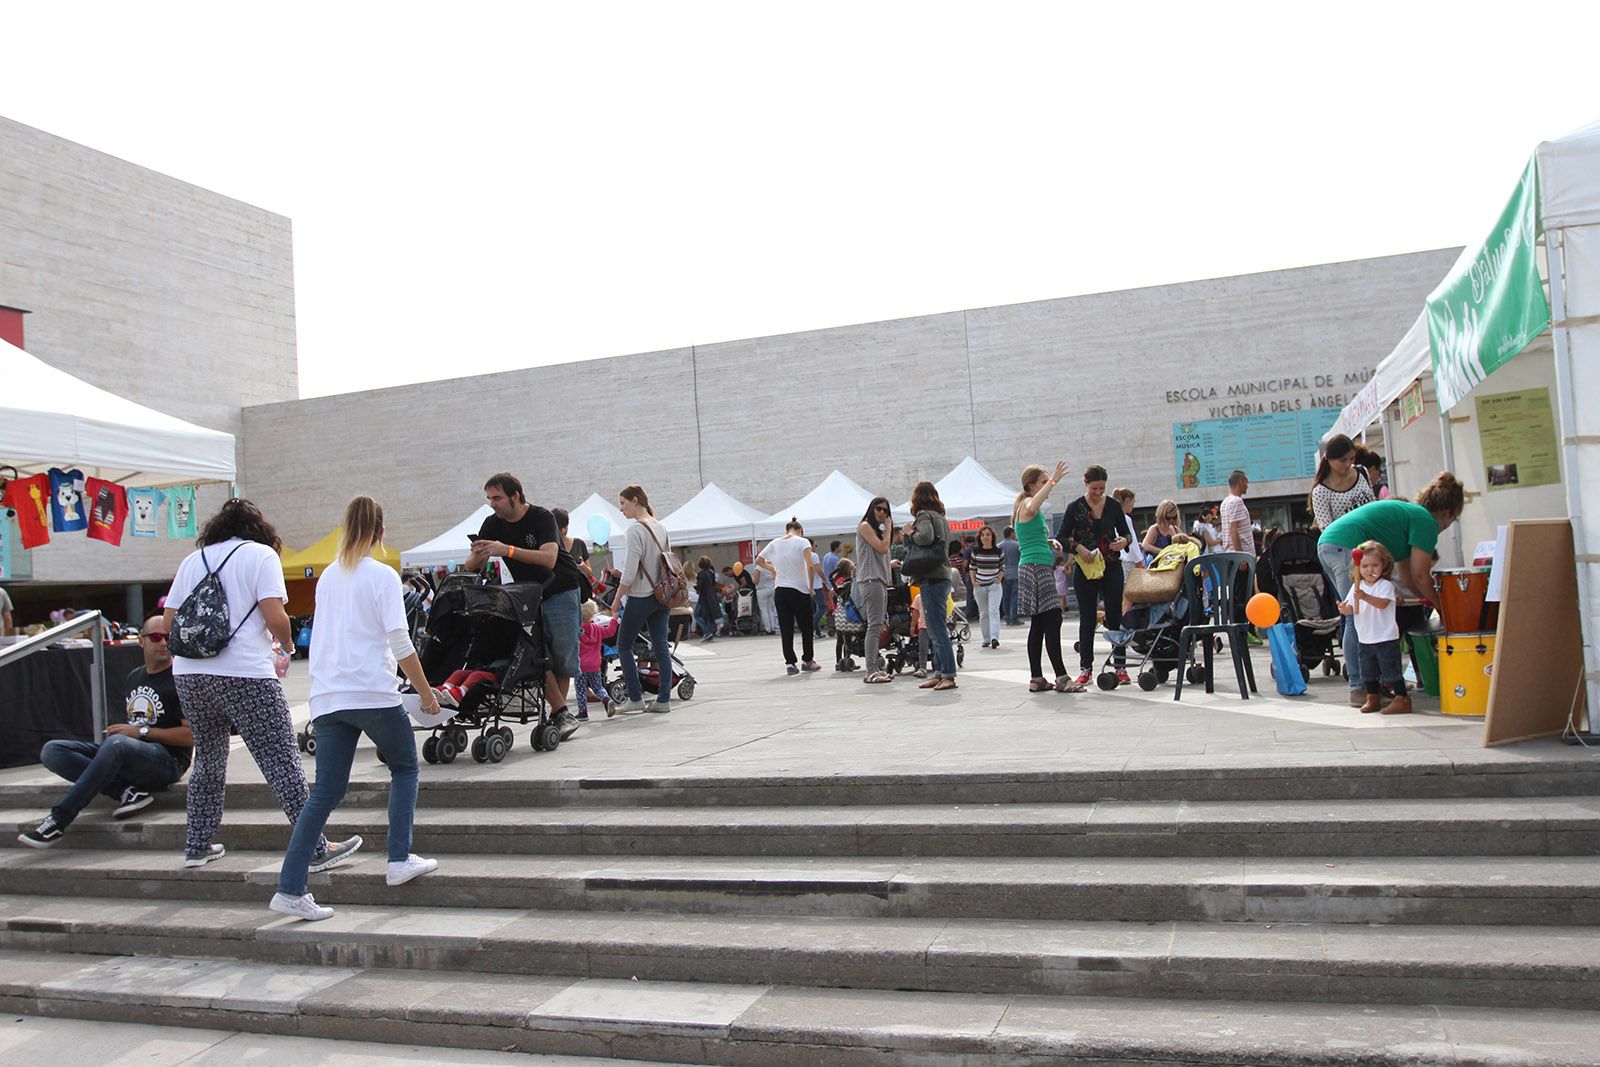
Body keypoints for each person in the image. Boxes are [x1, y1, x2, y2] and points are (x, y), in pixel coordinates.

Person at [164, 498, 361, 871]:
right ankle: (315, 849)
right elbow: (276, 617)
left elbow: (168, 620)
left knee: (208, 758)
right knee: (281, 759)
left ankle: (198, 844)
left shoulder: (193, 560)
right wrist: (286, 645)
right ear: (260, 529)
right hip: (244, 672)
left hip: (189, 673)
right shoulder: (260, 556)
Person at [271, 496, 437, 922]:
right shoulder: (383, 576)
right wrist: (425, 692)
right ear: (381, 532)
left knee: (325, 792)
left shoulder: (328, 577)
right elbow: (400, 644)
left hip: (328, 697)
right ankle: (399, 859)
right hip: (371, 692)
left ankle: (290, 887)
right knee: (404, 768)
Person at [19, 615, 193, 847]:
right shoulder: (135, 677)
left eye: (168, 637)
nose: (163, 643)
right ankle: (126, 792)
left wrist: (140, 733)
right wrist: (130, 735)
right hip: (133, 754)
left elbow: (191, 736)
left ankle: (59, 820)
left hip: (168, 762)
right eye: (155, 637)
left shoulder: (180, 679)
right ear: (141, 641)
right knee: (53, 750)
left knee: (117, 744)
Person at [1318, 471, 1465, 705]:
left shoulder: (1411, 517)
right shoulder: (1425, 521)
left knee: (1353, 614)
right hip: (1346, 545)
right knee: (1357, 614)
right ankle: (1360, 688)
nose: (1448, 526)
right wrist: (1443, 607)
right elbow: (1421, 575)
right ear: (1448, 513)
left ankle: (1368, 687)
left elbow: (1408, 578)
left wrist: (1425, 599)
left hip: (1330, 543)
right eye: (1453, 520)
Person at [466, 473, 586, 740]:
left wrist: (506, 550)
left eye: (497, 498)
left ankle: (559, 714)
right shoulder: (491, 524)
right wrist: (479, 552)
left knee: (561, 657)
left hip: (561, 588)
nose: (492, 504)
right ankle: (561, 713)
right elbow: (470, 566)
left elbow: (549, 558)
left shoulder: (542, 518)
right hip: (528, 596)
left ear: (515, 496)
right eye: (489, 499)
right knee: (536, 654)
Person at [1059, 465, 1133, 688]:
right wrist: (1078, 548)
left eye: (1102, 488)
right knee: (1088, 617)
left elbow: (1127, 532)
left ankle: (1119, 666)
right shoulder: (1075, 508)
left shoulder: (1113, 506)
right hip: (1087, 567)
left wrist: (1124, 542)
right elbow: (1061, 537)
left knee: (1114, 615)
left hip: (1111, 565)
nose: (1099, 493)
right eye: (1094, 488)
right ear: (1086, 484)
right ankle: (1086, 668)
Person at [1014, 462, 1080, 693]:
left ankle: (1037, 678)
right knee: (1051, 619)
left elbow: (1029, 533)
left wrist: (1048, 542)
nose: (1047, 486)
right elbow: (1032, 507)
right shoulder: (1027, 503)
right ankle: (1061, 677)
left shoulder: (1029, 507)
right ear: (1031, 486)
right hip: (1035, 568)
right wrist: (1053, 481)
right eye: (1042, 482)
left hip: (1036, 565)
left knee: (1041, 623)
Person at [611, 485, 674, 714]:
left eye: (623, 503)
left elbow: (629, 573)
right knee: (660, 647)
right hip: (663, 595)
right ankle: (663, 700)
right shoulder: (661, 526)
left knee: (624, 645)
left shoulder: (635, 530)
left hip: (641, 595)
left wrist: (617, 599)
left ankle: (636, 697)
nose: (621, 509)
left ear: (635, 501)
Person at [1337, 541, 1411, 716]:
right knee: (1367, 671)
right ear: (1358, 567)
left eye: (1375, 565)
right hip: (1365, 637)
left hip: (1385, 637)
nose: (1370, 570)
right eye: (1365, 566)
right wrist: (1344, 608)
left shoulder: (1385, 586)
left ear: (1384, 566)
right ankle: (1372, 697)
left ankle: (1402, 698)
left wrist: (1365, 597)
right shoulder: (1357, 587)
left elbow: (1383, 604)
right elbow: (1350, 608)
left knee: (1391, 671)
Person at [903, 481, 957, 691]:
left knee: (937, 629)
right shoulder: (941, 518)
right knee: (936, 628)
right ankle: (939, 673)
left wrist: (910, 532)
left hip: (932, 576)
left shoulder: (924, 515)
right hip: (941, 574)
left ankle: (949, 675)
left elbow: (924, 538)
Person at [757, 518, 826, 674]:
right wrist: (810, 587)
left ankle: (790, 663)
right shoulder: (803, 542)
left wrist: (772, 569)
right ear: (800, 531)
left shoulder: (775, 543)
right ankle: (808, 660)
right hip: (799, 590)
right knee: (806, 627)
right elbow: (809, 565)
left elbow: (759, 560)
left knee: (786, 628)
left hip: (780, 590)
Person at [854, 496, 896, 684]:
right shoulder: (865, 526)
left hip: (878, 580)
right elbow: (882, 547)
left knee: (877, 625)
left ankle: (874, 669)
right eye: (878, 509)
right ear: (871, 509)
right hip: (871, 580)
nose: (882, 513)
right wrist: (888, 529)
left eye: (886, 511)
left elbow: (880, 552)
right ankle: (870, 670)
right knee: (874, 626)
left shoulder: (875, 530)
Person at [1310, 435, 1379, 531]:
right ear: (1329, 459)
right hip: (1348, 541)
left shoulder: (1361, 471)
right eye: (1343, 460)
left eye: (1352, 458)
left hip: (1373, 534)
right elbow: (1327, 531)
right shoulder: (1320, 492)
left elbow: (1373, 503)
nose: (1348, 464)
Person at [577, 599, 619, 719]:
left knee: (581, 688)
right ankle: (606, 699)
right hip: (595, 664)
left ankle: (583, 712)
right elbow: (610, 632)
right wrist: (614, 619)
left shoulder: (577, 630)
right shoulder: (597, 628)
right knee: (598, 687)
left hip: (580, 665)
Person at [968, 525, 1005, 650]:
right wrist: (973, 581)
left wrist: (999, 578)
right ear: (980, 537)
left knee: (994, 611)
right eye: (983, 535)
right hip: (979, 585)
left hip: (994, 585)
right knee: (984, 613)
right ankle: (986, 639)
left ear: (992, 536)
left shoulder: (998, 551)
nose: (985, 537)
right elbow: (972, 568)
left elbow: (1002, 567)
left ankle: (995, 638)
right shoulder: (976, 551)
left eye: (988, 534)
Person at [552, 506, 594, 580]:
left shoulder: (579, 543)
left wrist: (582, 564)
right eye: (560, 528)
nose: (563, 531)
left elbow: (590, 574)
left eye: (565, 527)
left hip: (580, 588)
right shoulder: (550, 547)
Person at [1111, 488, 1145, 579]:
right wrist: (1139, 561)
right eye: (1133, 502)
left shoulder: (1112, 516)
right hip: (1129, 560)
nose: (1133, 505)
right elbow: (1131, 542)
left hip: (1119, 559)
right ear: (1127, 500)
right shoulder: (1125, 519)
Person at [1218, 471, 1252, 553]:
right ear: (1240, 482)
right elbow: (1233, 529)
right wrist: (1241, 556)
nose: (1247, 486)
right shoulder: (1236, 501)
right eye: (1246, 483)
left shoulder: (1225, 502)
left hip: (1230, 553)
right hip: (1241, 556)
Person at [694, 556, 721, 641]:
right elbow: (713, 585)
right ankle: (710, 633)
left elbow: (700, 586)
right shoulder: (711, 573)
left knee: (696, 614)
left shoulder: (701, 574)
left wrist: (695, 587)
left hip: (704, 597)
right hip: (712, 596)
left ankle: (707, 632)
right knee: (711, 615)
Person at [1000, 526, 1021, 626]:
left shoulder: (999, 546)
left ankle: (1007, 618)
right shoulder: (1017, 545)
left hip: (1003, 574)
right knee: (1015, 596)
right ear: (1011, 533)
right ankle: (1014, 618)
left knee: (1005, 597)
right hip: (1015, 573)